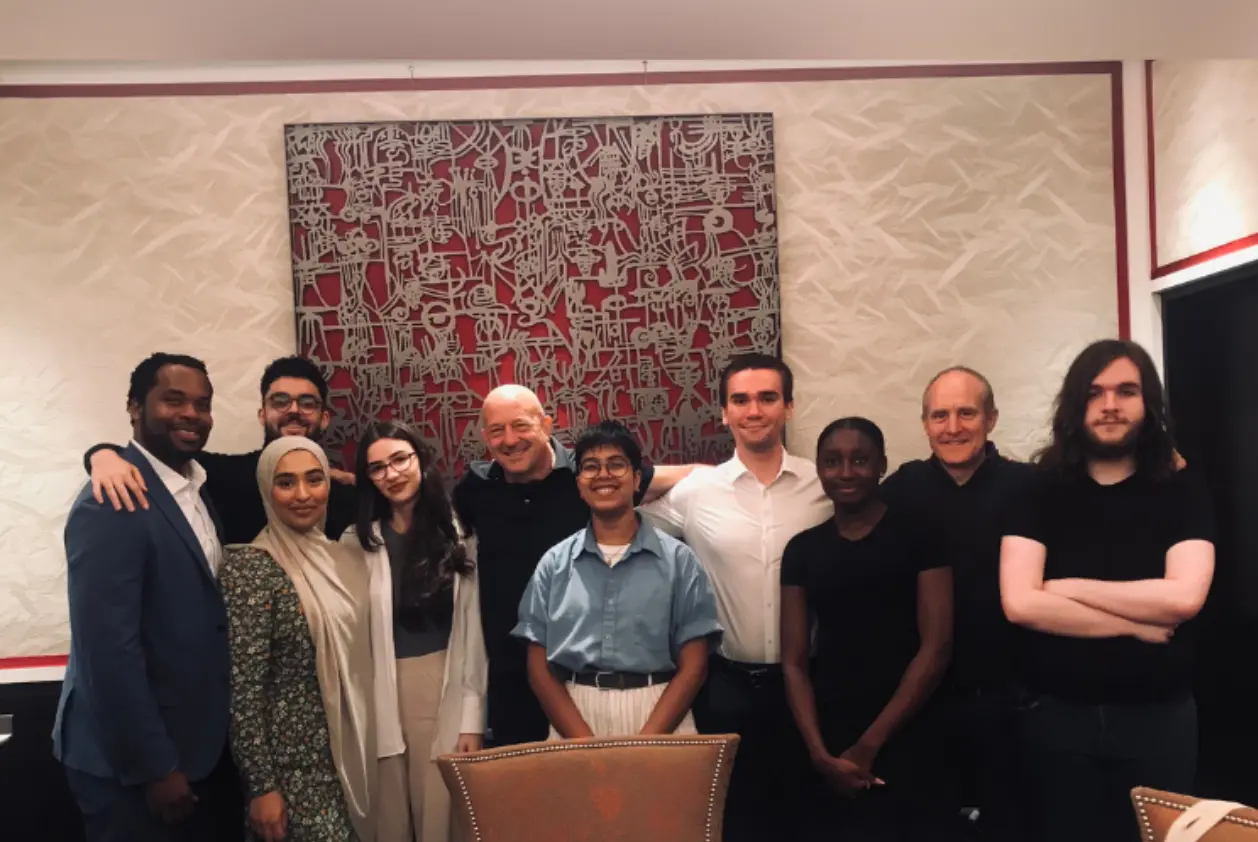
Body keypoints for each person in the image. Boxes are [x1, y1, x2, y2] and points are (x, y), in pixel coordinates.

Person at [1000, 339, 1216, 842]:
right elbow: (1020, 602)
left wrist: (1067, 587)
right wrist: (1137, 625)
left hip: (1159, 720)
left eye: (1127, 391)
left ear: (1149, 403)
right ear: (1076, 403)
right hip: (1055, 718)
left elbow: (1184, 598)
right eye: (1095, 393)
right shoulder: (1037, 488)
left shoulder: (1181, 486)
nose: (1111, 405)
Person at [640, 353, 833, 842]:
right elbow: (617, 495)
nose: (754, 410)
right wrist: (685, 470)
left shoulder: (826, 486)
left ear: (788, 406)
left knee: (810, 818)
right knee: (734, 820)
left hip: (812, 686)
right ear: (723, 412)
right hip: (726, 687)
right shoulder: (696, 490)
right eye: (740, 400)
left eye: (767, 397)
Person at [53, 352, 242, 842]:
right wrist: (154, 767)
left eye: (202, 404)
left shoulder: (194, 490)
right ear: (135, 407)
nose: (191, 415)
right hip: (132, 769)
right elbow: (107, 651)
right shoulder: (112, 499)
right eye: (173, 400)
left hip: (195, 752)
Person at [452, 384, 690, 747]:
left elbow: (681, 479)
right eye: (497, 431)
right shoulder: (475, 489)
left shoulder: (590, 475)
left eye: (521, 426)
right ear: (485, 437)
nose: (510, 440)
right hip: (512, 685)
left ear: (546, 425)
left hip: (584, 685)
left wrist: (733, 477)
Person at [878, 366, 1036, 839]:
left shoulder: (1031, 487)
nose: (952, 427)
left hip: (1016, 701)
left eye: (966, 413)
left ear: (992, 419)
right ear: (924, 423)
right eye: (939, 415)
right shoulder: (899, 492)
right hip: (923, 706)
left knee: (1014, 824)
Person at [781, 417, 954, 841]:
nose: (845, 472)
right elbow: (794, 661)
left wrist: (868, 746)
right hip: (829, 730)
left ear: (882, 465)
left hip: (910, 727)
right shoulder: (802, 550)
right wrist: (819, 753)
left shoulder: (921, 536)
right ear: (818, 469)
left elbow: (937, 647)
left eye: (860, 460)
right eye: (832, 461)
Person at [513, 421, 722, 738]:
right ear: (579, 483)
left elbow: (694, 666)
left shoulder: (679, 561)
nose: (603, 475)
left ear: (637, 479)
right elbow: (538, 668)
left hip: (661, 710)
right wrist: (584, 742)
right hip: (574, 713)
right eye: (591, 467)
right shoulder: (554, 564)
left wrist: (647, 741)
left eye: (616, 465)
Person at [219, 437, 376, 842]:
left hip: (357, 755)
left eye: (314, 479)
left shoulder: (346, 556)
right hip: (296, 775)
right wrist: (262, 788)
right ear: (265, 490)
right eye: (285, 483)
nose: (302, 495)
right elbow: (244, 691)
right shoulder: (251, 567)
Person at [347, 421, 486, 842]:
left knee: (441, 813)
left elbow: (475, 634)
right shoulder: (356, 542)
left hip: (443, 683)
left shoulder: (460, 536)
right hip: (379, 688)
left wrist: (472, 720)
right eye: (377, 468)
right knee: (390, 813)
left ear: (420, 460)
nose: (391, 474)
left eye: (399, 459)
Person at [85, 355, 358, 542]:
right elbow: (160, 455)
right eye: (281, 401)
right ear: (262, 414)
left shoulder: (344, 493)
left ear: (324, 417)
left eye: (307, 403)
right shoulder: (222, 475)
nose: (294, 411)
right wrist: (103, 455)